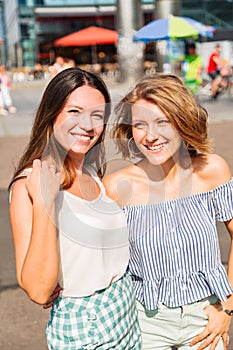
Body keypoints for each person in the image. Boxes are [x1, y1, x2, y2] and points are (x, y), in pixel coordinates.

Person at [9, 67, 142, 349]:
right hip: (87, 325)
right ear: (52, 114)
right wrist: (45, 200)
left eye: (97, 115)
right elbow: (37, 289)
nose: (88, 125)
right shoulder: (28, 185)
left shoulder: (91, 169)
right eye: (74, 112)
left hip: (125, 311)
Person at [103, 74, 233, 349]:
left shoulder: (213, 170)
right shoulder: (116, 187)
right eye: (139, 124)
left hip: (206, 317)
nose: (150, 136)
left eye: (162, 122)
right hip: (142, 321)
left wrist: (228, 308)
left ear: (182, 121)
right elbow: (100, 260)